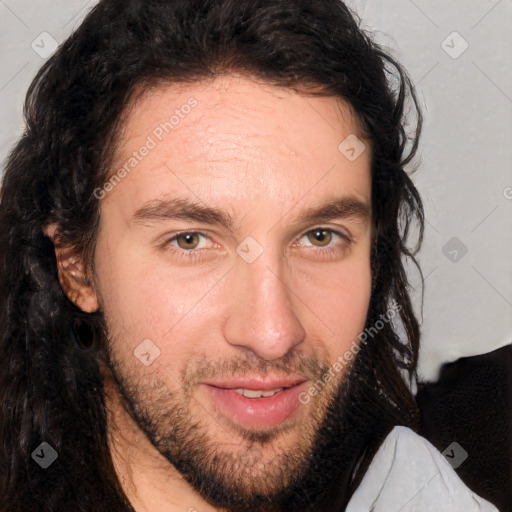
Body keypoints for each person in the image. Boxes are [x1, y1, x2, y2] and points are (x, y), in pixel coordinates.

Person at [0, 1, 499, 511]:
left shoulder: (406, 490)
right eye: (190, 240)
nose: (272, 333)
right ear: (76, 264)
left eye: (320, 236)